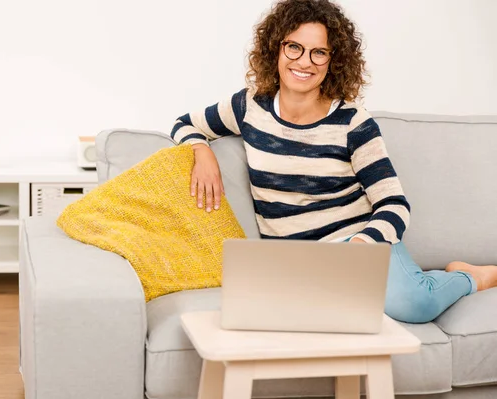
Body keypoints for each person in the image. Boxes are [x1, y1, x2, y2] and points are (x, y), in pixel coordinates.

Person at [169, 0, 497, 324]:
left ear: (332, 60)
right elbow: (184, 124)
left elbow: (395, 205)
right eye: (294, 47)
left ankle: (471, 277)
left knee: (415, 306)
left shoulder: (353, 123)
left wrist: (361, 245)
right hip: (296, 261)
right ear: (276, 49)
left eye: (319, 52)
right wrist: (202, 152)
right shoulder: (249, 106)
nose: (304, 61)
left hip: (357, 245)